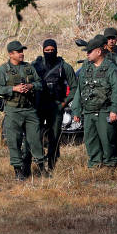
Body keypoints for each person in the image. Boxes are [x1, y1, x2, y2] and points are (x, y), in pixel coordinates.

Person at [0, 41, 46, 181]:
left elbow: (40, 84)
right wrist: (14, 89)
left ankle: (41, 168)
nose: (22, 54)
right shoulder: (3, 70)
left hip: (29, 109)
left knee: (35, 139)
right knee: (14, 141)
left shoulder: (29, 68)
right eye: (19, 51)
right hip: (13, 110)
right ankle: (18, 171)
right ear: (11, 54)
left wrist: (30, 86)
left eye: (22, 51)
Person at [71, 35, 117, 168]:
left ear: (99, 52)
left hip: (104, 111)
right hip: (88, 111)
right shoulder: (85, 68)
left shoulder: (111, 68)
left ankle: (110, 164)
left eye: (90, 51)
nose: (87, 54)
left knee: (107, 139)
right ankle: (94, 164)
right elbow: (79, 90)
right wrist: (76, 110)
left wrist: (114, 109)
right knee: (90, 140)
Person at [31, 39, 77, 170]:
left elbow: (74, 87)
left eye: (52, 50)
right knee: (36, 135)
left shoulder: (64, 67)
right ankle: (39, 162)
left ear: (56, 50)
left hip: (56, 106)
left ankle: (52, 163)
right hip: (39, 106)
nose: (50, 52)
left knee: (54, 136)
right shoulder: (35, 66)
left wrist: (64, 103)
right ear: (43, 50)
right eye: (47, 50)